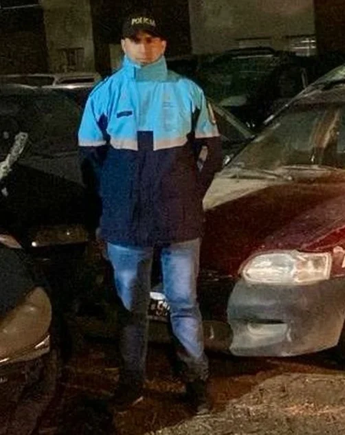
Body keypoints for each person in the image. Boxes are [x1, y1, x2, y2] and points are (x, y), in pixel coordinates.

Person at [78, 11, 222, 415]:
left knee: (184, 303)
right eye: (136, 40)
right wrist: (111, 207)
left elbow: (211, 155)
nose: (144, 47)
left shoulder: (187, 92)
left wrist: (188, 196)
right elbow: (90, 163)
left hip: (179, 221)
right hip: (126, 224)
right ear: (124, 45)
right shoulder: (104, 95)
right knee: (131, 311)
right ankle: (131, 383)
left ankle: (196, 382)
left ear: (164, 44)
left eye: (151, 39)